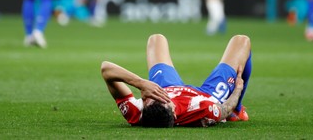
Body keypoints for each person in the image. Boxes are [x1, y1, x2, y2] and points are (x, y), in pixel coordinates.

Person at [101, 33, 252, 127]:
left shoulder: (136, 113)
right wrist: (238, 89)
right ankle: (239, 112)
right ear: (173, 111)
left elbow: (106, 69)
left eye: (150, 98)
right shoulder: (202, 110)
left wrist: (141, 83)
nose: (151, 95)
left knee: (156, 39)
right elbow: (225, 109)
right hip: (208, 94)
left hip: (166, 84)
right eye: (162, 97)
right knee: (242, 41)